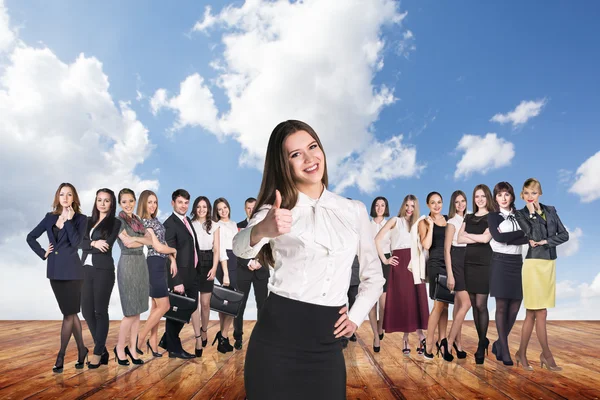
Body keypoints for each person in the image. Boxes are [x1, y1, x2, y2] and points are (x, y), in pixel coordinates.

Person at [233, 120, 385, 399]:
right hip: (275, 341)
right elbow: (240, 248)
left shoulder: (354, 210)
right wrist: (263, 229)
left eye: (312, 147)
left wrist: (355, 317)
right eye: (296, 154)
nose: (309, 158)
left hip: (328, 342)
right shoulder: (274, 210)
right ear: (284, 164)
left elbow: (374, 276)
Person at [27, 182, 88, 373]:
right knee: (71, 313)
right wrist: (43, 253)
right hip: (55, 272)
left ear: (74, 198)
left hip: (73, 273)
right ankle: (82, 350)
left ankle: (61, 355)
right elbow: (30, 237)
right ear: (57, 197)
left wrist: (68, 221)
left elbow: (77, 243)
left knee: (68, 314)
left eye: (69, 195)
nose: (65, 198)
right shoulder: (49, 217)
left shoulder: (80, 219)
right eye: (62, 194)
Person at [515, 178, 569, 371]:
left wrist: (546, 242)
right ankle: (546, 355)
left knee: (531, 313)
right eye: (527, 193)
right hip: (533, 264)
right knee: (541, 312)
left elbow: (564, 235)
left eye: (534, 193)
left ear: (540, 194)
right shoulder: (520, 213)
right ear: (522, 195)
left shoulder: (551, 210)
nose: (530, 197)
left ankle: (521, 353)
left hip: (549, 264)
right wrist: (532, 214)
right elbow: (533, 235)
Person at [375, 195, 428, 355]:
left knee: (415, 300)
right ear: (403, 206)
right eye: (407, 205)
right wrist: (385, 260)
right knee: (405, 301)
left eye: (413, 206)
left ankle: (419, 335)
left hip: (416, 262)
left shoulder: (419, 223)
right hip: (400, 263)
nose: (410, 209)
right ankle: (406, 337)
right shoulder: (395, 221)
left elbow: (424, 246)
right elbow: (377, 239)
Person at [487, 182, 529, 366]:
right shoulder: (493, 216)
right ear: (495, 198)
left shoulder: (520, 215)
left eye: (506, 194)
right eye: (499, 195)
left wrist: (517, 236)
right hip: (499, 262)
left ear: (512, 196)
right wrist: (520, 235)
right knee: (502, 306)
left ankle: (498, 343)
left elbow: (528, 236)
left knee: (515, 306)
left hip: (517, 263)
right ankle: (505, 350)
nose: (503, 198)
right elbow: (498, 238)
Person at [80, 188, 121, 369]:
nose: (102, 203)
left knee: (100, 311)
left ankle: (97, 352)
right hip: (85, 270)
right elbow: (78, 243)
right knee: (86, 311)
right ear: (95, 202)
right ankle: (103, 349)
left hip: (103, 270)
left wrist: (89, 245)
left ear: (112, 204)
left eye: (106, 200)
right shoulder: (87, 221)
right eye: (99, 200)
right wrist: (93, 243)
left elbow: (107, 246)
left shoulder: (115, 223)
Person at [159, 189, 201, 359]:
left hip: (192, 274)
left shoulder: (186, 221)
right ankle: (174, 348)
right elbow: (170, 255)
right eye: (180, 202)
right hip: (180, 276)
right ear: (172, 203)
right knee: (177, 311)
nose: (183, 206)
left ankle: (167, 341)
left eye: (186, 203)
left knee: (190, 307)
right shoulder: (170, 224)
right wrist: (176, 281)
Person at [135, 190, 177, 359]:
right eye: (149, 202)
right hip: (153, 265)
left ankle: (153, 343)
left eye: (155, 202)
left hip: (161, 264)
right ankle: (138, 340)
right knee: (164, 306)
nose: (153, 205)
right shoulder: (144, 223)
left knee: (155, 307)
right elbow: (158, 247)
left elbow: (162, 242)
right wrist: (174, 250)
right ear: (143, 203)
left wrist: (172, 259)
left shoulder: (155, 221)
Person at [458, 184, 494, 364]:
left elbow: (487, 239)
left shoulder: (492, 217)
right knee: (473, 303)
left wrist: (470, 236)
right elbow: (458, 238)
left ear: (488, 198)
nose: (479, 199)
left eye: (483, 196)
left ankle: (481, 344)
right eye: (476, 196)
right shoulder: (469, 216)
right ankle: (483, 340)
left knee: (481, 304)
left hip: (484, 262)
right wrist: (477, 237)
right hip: (468, 262)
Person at [114, 189, 149, 366]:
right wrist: (142, 239)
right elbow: (127, 242)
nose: (128, 205)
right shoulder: (118, 221)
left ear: (135, 201)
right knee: (129, 312)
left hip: (141, 264)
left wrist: (140, 239)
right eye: (124, 202)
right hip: (127, 264)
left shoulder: (138, 221)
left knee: (138, 312)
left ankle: (133, 349)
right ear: (120, 203)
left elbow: (150, 242)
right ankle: (120, 348)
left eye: (130, 201)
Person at [233, 197, 270, 351]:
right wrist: (248, 262)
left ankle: (262, 338)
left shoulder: (266, 226)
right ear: (245, 209)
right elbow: (234, 249)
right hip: (243, 271)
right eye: (248, 208)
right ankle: (238, 338)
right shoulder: (238, 227)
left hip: (262, 270)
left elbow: (270, 248)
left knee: (262, 306)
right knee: (239, 307)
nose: (251, 210)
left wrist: (260, 262)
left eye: (254, 208)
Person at [420, 192, 450, 360]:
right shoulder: (424, 222)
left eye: (439, 202)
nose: (437, 205)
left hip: (449, 264)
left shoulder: (448, 219)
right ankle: (429, 345)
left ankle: (443, 341)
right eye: (433, 203)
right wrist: (431, 226)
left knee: (446, 306)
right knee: (438, 305)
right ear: (428, 204)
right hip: (436, 264)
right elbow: (426, 245)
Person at [190, 196, 220, 357]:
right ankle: (197, 338)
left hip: (209, 262)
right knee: (195, 303)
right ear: (195, 208)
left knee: (205, 303)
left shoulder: (215, 225)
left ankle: (204, 330)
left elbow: (217, 249)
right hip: (194, 262)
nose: (201, 209)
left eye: (204, 207)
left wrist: (215, 268)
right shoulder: (190, 224)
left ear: (208, 209)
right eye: (199, 207)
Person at [444, 190, 469, 360]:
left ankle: (458, 344)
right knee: (467, 304)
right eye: (457, 202)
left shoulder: (470, 219)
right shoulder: (452, 222)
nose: (460, 205)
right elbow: (447, 249)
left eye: (463, 201)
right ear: (453, 204)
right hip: (457, 261)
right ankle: (449, 341)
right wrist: (450, 275)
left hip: (470, 262)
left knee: (459, 306)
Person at [213, 197, 238, 352]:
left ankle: (223, 337)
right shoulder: (217, 226)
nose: (223, 211)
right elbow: (221, 249)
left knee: (226, 302)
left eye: (225, 207)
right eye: (220, 209)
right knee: (233, 300)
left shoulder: (234, 224)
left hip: (235, 259)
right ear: (216, 212)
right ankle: (223, 335)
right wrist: (226, 273)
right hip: (225, 261)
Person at [368, 196, 391, 351]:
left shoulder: (390, 225)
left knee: (383, 304)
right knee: (371, 302)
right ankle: (376, 335)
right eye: (377, 205)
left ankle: (381, 326)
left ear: (386, 207)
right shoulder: (367, 225)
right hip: (370, 262)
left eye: (382, 205)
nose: (380, 208)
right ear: (373, 208)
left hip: (386, 263)